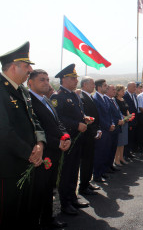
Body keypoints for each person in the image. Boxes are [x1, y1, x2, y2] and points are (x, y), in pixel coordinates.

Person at [0, 42, 46, 229]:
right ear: (13, 66)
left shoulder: (24, 91)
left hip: (29, 161)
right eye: (27, 66)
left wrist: (40, 143)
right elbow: (4, 130)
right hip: (9, 167)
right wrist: (30, 152)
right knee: (8, 214)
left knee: (25, 212)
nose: (30, 70)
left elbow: (34, 121)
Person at [28, 69, 70, 228]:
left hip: (54, 153)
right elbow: (36, 130)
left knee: (48, 190)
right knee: (38, 193)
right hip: (42, 154)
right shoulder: (29, 102)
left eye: (47, 79)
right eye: (42, 80)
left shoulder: (46, 100)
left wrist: (66, 137)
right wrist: (57, 142)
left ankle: (47, 219)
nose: (46, 82)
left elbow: (57, 122)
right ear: (30, 82)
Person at [51, 63, 92, 215]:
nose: (76, 81)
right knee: (66, 173)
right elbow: (58, 118)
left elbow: (76, 113)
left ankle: (73, 198)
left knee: (74, 171)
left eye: (76, 78)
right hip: (68, 140)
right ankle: (65, 203)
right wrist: (76, 124)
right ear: (64, 79)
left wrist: (84, 119)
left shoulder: (73, 95)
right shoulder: (58, 96)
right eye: (73, 78)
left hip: (78, 139)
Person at [78, 77, 102, 196]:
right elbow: (86, 117)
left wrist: (97, 130)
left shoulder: (89, 97)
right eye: (92, 84)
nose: (94, 86)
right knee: (86, 161)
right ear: (85, 85)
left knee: (90, 160)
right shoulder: (82, 97)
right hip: (87, 134)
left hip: (92, 132)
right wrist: (94, 131)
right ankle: (83, 186)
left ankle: (87, 182)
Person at [92, 79, 114, 183]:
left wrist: (112, 123)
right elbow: (98, 116)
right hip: (102, 129)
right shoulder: (95, 98)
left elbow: (109, 114)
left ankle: (103, 171)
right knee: (99, 153)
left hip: (108, 129)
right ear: (99, 87)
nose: (107, 87)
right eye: (105, 86)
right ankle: (97, 175)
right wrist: (108, 126)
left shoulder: (105, 98)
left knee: (105, 151)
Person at [105, 85, 124, 172]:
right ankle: (106, 167)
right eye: (113, 89)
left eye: (115, 90)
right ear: (107, 90)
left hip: (117, 127)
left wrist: (121, 118)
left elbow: (118, 111)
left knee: (113, 148)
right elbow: (109, 114)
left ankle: (110, 165)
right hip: (111, 127)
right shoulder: (106, 100)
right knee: (108, 149)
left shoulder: (113, 100)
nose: (114, 91)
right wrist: (117, 121)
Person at [115, 85, 130, 165]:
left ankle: (121, 157)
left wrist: (129, 115)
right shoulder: (115, 100)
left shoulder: (123, 99)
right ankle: (116, 159)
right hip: (120, 122)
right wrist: (125, 117)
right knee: (119, 143)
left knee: (123, 142)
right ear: (117, 91)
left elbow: (126, 109)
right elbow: (118, 112)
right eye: (122, 91)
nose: (124, 92)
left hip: (125, 122)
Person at [124, 82, 138, 159]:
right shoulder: (125, 96)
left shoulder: (134, 95)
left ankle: (129, 152)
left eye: (135, 86)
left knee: (132, 137)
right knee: (128, 137)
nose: (135, 88)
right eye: (133, 86)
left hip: (134, 119)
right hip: (128, 120)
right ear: (128, 87)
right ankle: (126, 153)